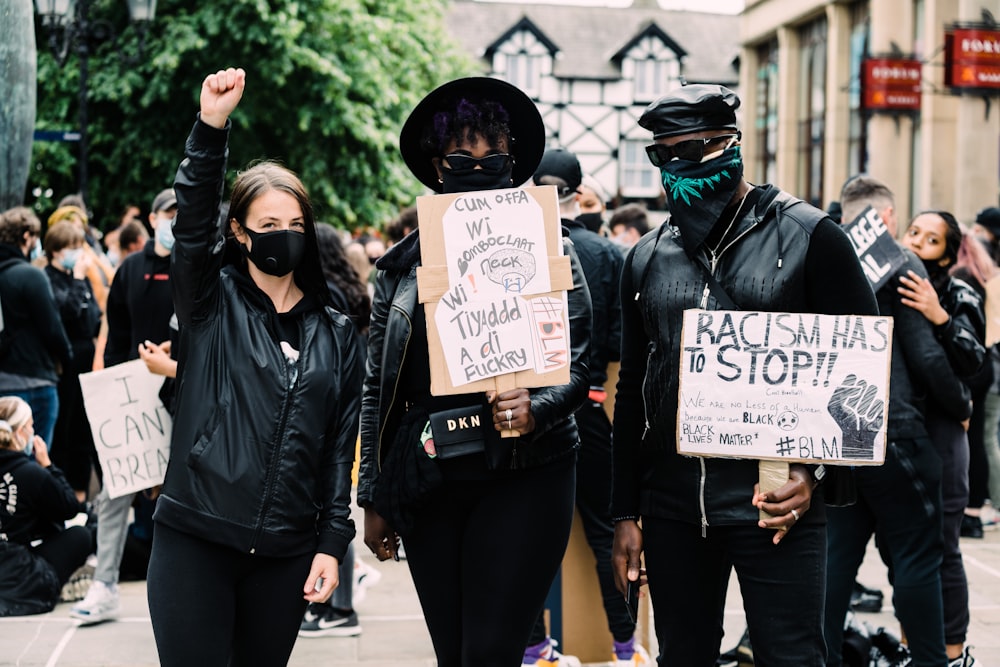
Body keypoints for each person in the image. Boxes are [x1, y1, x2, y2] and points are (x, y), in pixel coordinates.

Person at [610, 84, 878, 666]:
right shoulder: (647, 256)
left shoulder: (812, 237)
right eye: (665, 156)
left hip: (776, 499)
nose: (680, 167)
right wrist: (626, 512)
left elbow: (864, 374)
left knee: (792, 656)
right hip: (674, 507)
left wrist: (816, 473)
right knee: (681, 657)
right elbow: (633, 388)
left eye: (698, 150)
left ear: (732, 144)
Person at [357, 76, 592, 666]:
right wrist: (374, 494)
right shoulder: (396, 271)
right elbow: (376, 390)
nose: (479, 167)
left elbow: (580, 355)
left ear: (514, 165)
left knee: (490, 650)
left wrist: (536, 407)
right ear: (438, 167)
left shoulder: (552, 247)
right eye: (463, 156)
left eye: (495, 156)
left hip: (527, 471)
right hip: (432, 472)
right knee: (453, 652)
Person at [143, 67, 363, 666]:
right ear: (239, 232)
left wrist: (331, 543)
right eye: (268, 226)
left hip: (287, 554)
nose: (283, 237)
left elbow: (338, 450)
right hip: (196, 539)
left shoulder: (338, 332)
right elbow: (190, 226)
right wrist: (210, 128)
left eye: (295, 226)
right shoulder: (209, 302)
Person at [824, 176, 973, 667]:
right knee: (916, 556)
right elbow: (927, 358)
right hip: (895, 429)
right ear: (885, 218)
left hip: (837, 430)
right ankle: (931, 661)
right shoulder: (897, 262)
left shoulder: (821, 255)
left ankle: (816, 658)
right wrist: (962, 406)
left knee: (836, 559)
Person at [526, 148, 647, 667]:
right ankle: (626, 649)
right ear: (581, 194)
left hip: (526, 410)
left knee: (526, 536)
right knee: (607, 532)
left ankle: (533, 649)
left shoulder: (519, 247)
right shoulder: (609, 255)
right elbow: (625, 342)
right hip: (592, 405)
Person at [70, 187, 179, 626]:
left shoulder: (196, 265)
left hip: (180, 389)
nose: (175, 221)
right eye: (169, 214)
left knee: (180, 496)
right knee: (117, 490)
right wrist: (115, 387)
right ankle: (105, 585)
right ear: (152, 219)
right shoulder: (130, 269)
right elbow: (115, 334)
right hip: (132, 401)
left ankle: (179, 587)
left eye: (182, 214)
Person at [898, 209, 986, 667]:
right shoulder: (887, 279)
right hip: (900, 431)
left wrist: (938, 314)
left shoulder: (960, 292)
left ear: (948, 254)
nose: (916, 244)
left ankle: (953, 650)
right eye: (914, 232)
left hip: (944, 430)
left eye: (931, 240)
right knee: (906, 550)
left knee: (942, 545)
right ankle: (911, 645)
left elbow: (976, 363)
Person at [298, 222, 372, 638]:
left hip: (338, 410)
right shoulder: (347, 289)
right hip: (351, 405)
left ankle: (340, 608)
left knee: (332, 505)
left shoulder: (329, 294)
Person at [0, 396, 92, 616]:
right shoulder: (30, 473)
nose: (34, 432)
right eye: (31, 426)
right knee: (82, 535)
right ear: (21, 432)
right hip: (18, 568)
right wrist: (48, 465)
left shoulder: (28, 472)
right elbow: (70, 506)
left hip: (12, 555)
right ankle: (63, 583)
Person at [0, 206, 73, 449]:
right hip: (34, 381)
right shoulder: (30, 276)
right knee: (35, 462)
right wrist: (67, 358)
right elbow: (52, 329)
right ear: (26, 237)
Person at [42, 221, 102, 501]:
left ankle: (80, 494)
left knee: (83, 429)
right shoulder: (48, 278)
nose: (78, 253)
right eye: (72, 247)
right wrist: (78, 279)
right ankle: (62, 493)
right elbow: (66, 312)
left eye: (80, 247)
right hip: (64, 363)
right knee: (64, 429)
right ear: (55, 250)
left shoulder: (81, 277)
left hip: (86, 359)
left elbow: (90, 316)